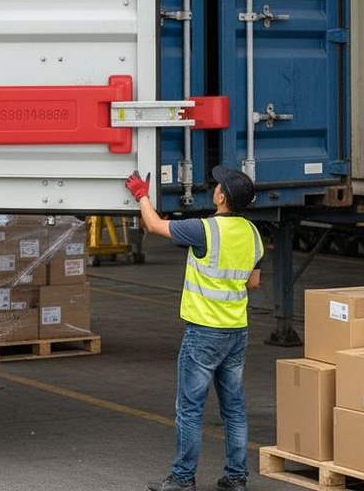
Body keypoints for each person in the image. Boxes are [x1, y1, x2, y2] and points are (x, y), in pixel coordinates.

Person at [125, 166, 264, 491]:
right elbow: (253, 282)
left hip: (204, 332)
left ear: (222, 197)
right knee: (234, 408)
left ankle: (182, 478)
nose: (214, 188)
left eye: (218, 186)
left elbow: (154, 225)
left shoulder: (204, 229)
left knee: (189, 408)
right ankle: (236, 477)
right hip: (236, 330)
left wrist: (141, 195)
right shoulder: (253, 233)